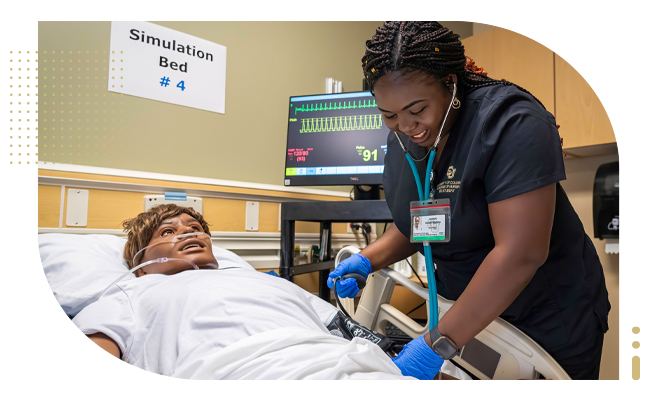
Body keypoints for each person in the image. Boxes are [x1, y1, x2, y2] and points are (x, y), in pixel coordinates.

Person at [328, 21, 610, 380]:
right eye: (390, 115)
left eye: (417, 110)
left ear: (451, 83)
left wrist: (439, 342)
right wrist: (366, 260)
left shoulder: (511, 123)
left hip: (543, 318)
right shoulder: (405, 141)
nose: (407, 126)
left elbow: (520, 253)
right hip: (464, 315)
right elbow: (424, 223)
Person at [42, 204, 453, 380]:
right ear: (138, 261)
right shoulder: (126, 298)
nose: (189, 233)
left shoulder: (266, 283)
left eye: (195, 229)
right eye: (169, 232)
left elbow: (352, 334)